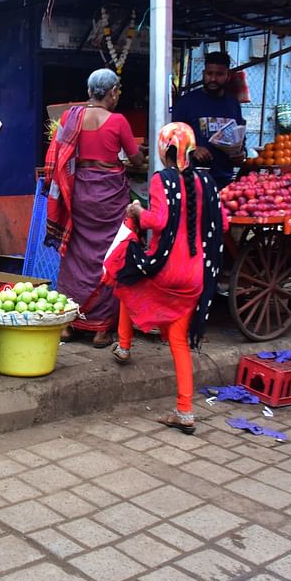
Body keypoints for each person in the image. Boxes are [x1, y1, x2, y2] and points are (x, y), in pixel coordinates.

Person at [104, 123, 226, 434]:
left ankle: (125, 346)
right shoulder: (205, 181)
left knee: (124, 275)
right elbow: (221, 221)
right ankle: (185, 411)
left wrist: (136, 210)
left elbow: (157, 221)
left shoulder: (162, 180)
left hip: (164, 270)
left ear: (164, 150)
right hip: (195, 275)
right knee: (178, 342)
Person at [44, 68, 144, 348]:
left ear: (89, 92)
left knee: (75, 255)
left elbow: (58, 155)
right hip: (108, 198)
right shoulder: (118, 121)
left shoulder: (69, 117)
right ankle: (100, 329)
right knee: (109, 255)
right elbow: (135, 160)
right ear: (112, 93)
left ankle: (69, 324)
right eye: (117, 92)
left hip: (77, 195)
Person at [172, 51, 246, 187]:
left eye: (219, 74)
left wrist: (240, 154)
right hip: (192, 181)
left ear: (228, 76)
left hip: (224, 180)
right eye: (209, 74)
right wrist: (192, 149)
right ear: (203, 74)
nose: (213, 79)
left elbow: (239, 138)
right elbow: (171, 140)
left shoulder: (233, 104)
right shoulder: (186, 102)